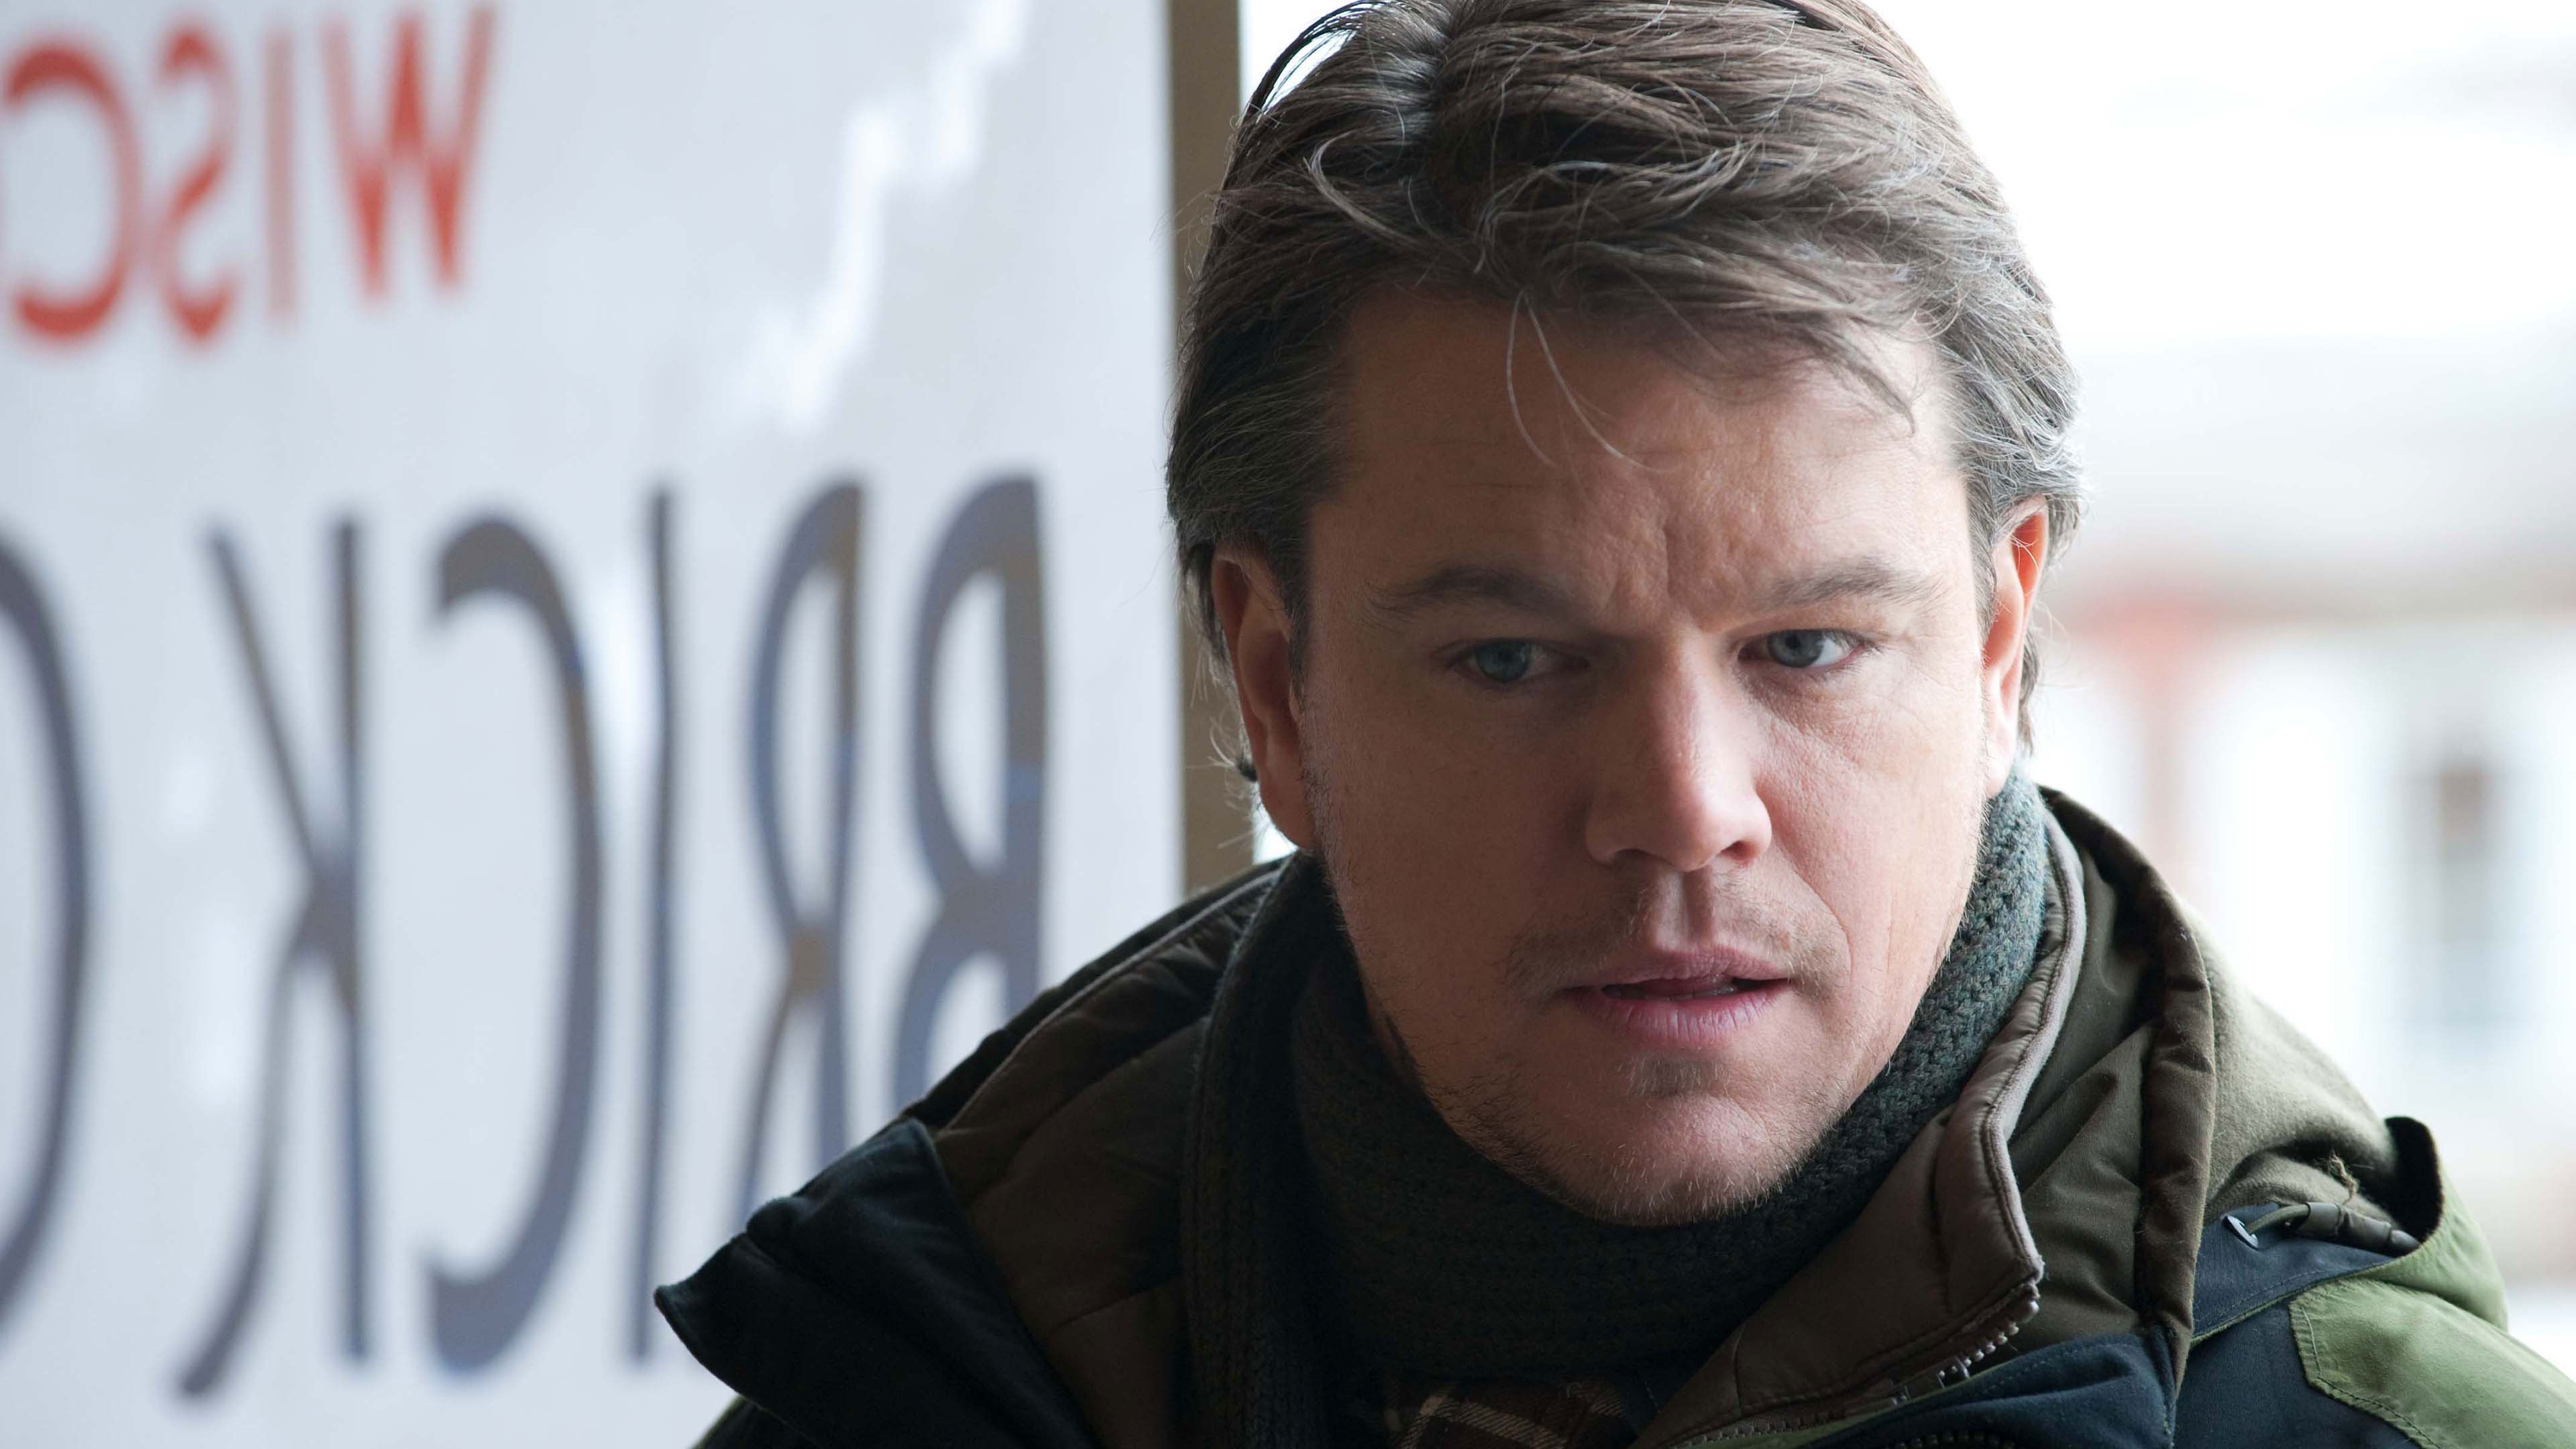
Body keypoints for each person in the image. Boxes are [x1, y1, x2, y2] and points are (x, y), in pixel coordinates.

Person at [656, 1, 2576, 1444]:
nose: (1681, 807)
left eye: (1807, 647)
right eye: (1513, 661)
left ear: (1998, 642)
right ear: (1279, 686)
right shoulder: (918, 1382)